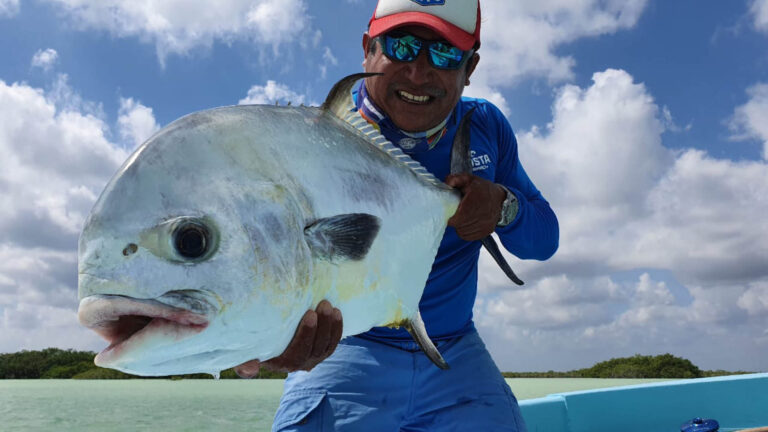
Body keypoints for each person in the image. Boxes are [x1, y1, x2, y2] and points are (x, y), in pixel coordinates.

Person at [235, 1, 559, 430]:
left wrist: (503, 206)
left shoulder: (487, 128)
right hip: (346, 347)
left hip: (455, 349)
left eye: (444, 54)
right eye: (401, 47)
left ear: (470, 67)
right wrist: (260, 342)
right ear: (368, 48)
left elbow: (544, 240)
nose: (419, 72)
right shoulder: (314, 138)